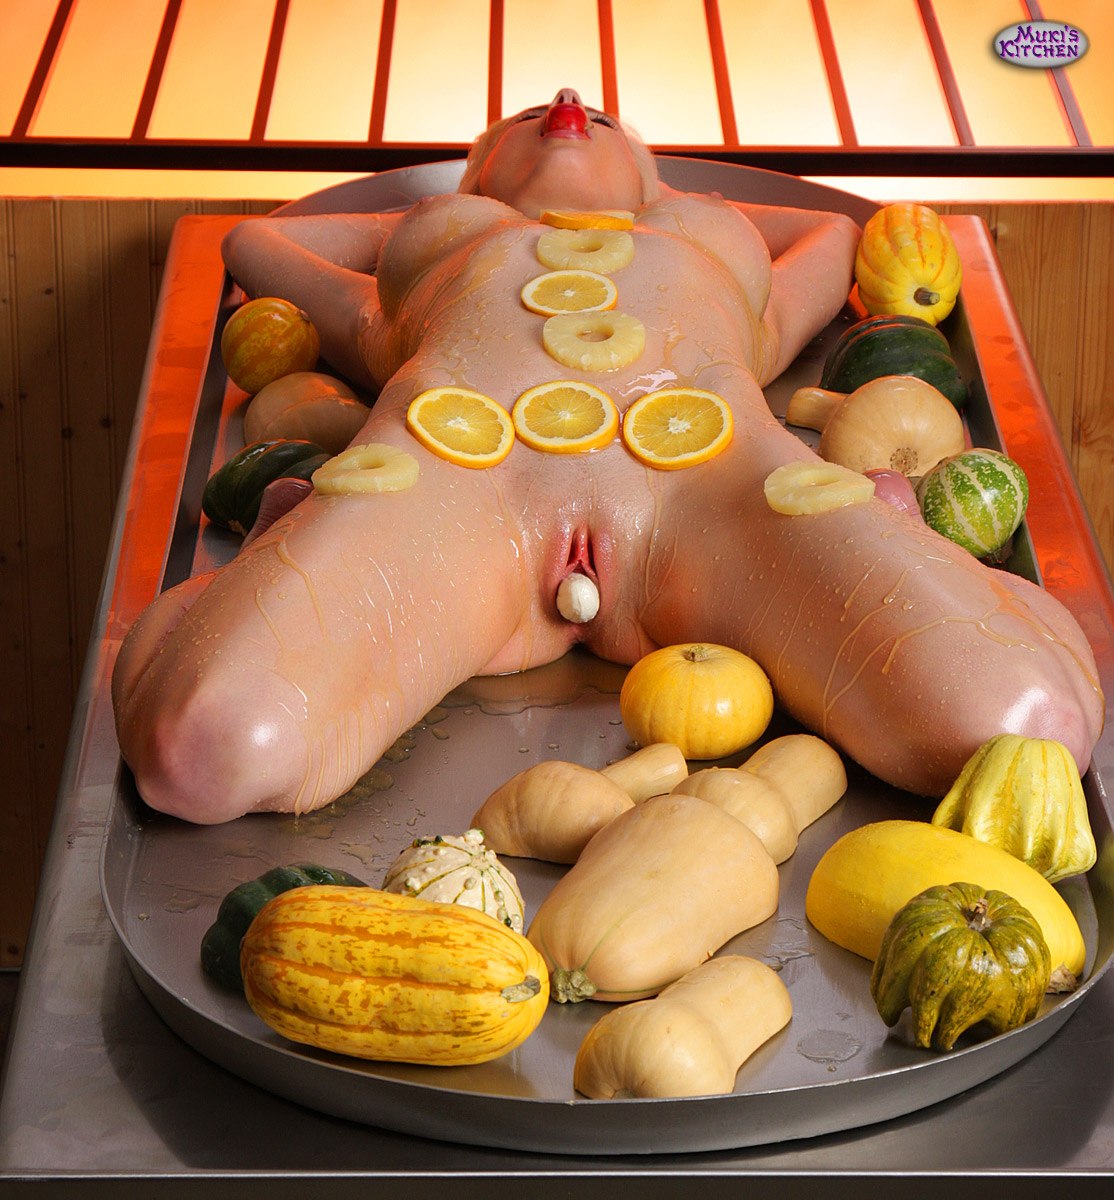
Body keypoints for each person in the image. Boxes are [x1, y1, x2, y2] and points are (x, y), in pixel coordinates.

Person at [112, 90, 1103, 824]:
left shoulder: (709, 244)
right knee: (197, 752)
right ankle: (272, 558)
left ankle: (907, 547)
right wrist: (414, 215)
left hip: (717, 492)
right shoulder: (423, 260)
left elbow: (836, 234)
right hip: (455, 485)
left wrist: (670, 192)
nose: (567, 100)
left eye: (608, 120)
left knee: (1027, 724)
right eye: (517, 122)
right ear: (474, 170)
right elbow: (253, 244)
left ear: (653, 166)